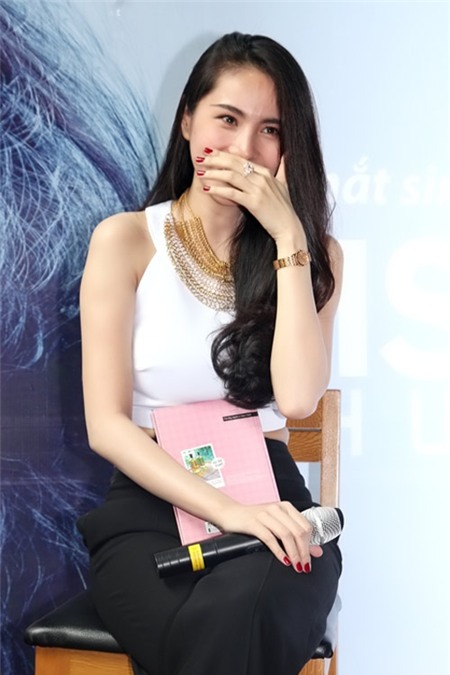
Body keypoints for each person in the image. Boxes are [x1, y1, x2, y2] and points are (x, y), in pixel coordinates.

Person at [77, 31, 344, 675]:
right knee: (224, 629)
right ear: (187, 121)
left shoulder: (315, 257)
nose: (245, 149)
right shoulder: (125, 241)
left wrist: (288, 235)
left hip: (273, 496)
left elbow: (298, 398)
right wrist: (229, 513)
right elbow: (106, 426)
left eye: (270, 130)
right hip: (151, 501)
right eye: (227, 119)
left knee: (247, 606)